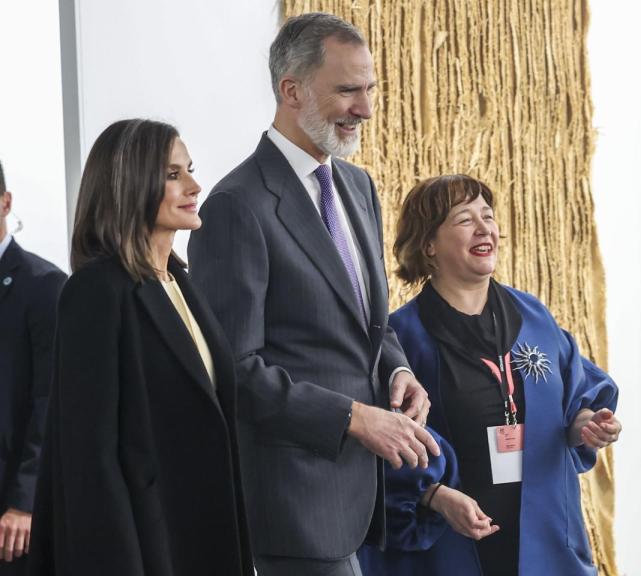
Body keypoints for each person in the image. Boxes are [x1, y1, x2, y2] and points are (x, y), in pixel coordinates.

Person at [187, 13, 438, 576]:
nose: (366, 108)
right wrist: (354, 417)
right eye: (348, 90)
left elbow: (369, 323)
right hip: (294, 502)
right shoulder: (236, 206)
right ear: (291, 90)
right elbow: (235, 370)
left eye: (369, 88)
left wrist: (398, 372)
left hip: (363, 497)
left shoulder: (358, 186)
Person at [358, 175, 622, 576]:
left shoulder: (533, 317)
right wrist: (435, 495)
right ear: (429, 244)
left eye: (489, 216)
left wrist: (587, 425)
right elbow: (376, 456)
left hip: (544, 542)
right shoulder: (401, 340)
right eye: (464, 220)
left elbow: (574, 400)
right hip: (449, 548)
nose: (485, 229)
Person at [28, 119, 254, 576]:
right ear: (129, 184)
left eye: (189, 169)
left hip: (205, 538)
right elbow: (90, 458)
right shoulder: (95, 291)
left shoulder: (182, 283)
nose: (195, 185)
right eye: (173, 175)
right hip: (146, 547)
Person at [0, 162, 66, 576]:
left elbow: (50, 401)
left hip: (12, 511)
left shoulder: (44, 285)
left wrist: (24, 501)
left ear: (5, 202)